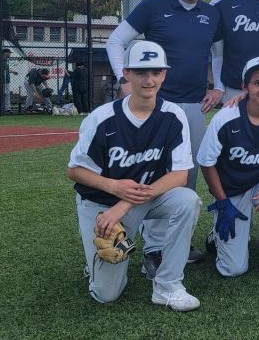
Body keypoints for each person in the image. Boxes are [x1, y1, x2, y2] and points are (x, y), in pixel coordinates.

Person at [105, 0, 222, 272]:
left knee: (187, 174)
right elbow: (115, 42)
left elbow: (219, 52)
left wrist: (220, 86)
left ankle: (179, 245)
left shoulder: (210, 14)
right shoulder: (152, 7)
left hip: (194, 105)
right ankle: (154, 250)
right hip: (156, 105)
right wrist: (124, 79)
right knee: (154, 172)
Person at [66, 40, 202, 311]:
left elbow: (179, 176)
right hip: (102, 204)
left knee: (187, 201)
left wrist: (126, 202)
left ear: (164, 74)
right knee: (107, 294)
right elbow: (74, 170)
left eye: (155, 72)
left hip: (139, 200)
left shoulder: (173, 115)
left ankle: (168, 286)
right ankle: (96, 267)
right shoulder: (102, 117)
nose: (149, 80)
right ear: (126, 73)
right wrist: (114, 187)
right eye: (141, 72)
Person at [197, 57, 259, 283]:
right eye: (257, 83)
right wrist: (222, 202)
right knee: (232, 269)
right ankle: (216, 234)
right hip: (231, 188)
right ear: (245, 87)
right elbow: (206, 162)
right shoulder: (225, 117)